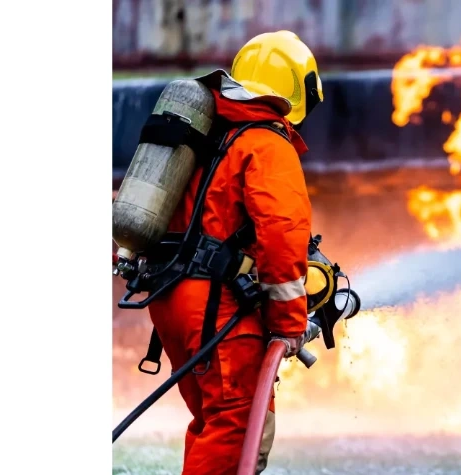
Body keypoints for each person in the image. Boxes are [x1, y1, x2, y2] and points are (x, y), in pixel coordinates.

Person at [146, 30, 323, 474]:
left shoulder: (210, 138)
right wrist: (289, 324)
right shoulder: (266, 144)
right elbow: (281, 233)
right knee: (236, 425)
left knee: (214, 420)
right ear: (298, 91)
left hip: (173, 297)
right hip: (217, 305)